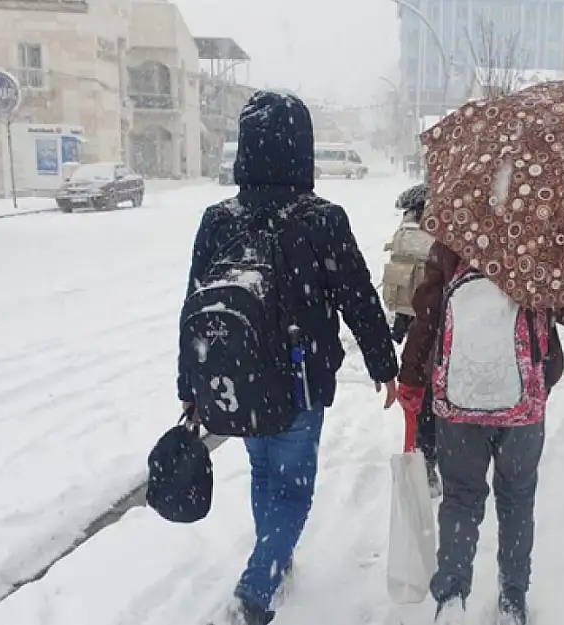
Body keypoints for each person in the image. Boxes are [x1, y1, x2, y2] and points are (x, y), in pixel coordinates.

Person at [177, 91, 399, 625]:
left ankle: (273, 558)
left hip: (239, 378)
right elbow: (358, 296)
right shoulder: (321, 219)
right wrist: (383, 363)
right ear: (303, 148)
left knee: (264, 475)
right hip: (299, 380)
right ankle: (255, 590)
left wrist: (191, 385)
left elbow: (192, 305)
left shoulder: (218, 219)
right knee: (293, 489)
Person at [397, 241, 564, 625]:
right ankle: (512, 601)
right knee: (517, 498)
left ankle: (451, 596)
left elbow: (428, 313)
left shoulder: (456, 235)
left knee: (461, 497)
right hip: (524, 403)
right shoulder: (542, 238)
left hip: (459, 397)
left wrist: (412, 379)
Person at [381, 182, 440, 496]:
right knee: (433, 400)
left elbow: (407, 290)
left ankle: (420, 461)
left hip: (418, 333)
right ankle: (428, 462)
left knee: (418, 402)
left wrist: (400, 327)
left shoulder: (408, 236)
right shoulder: (444, 236)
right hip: (440, 332)